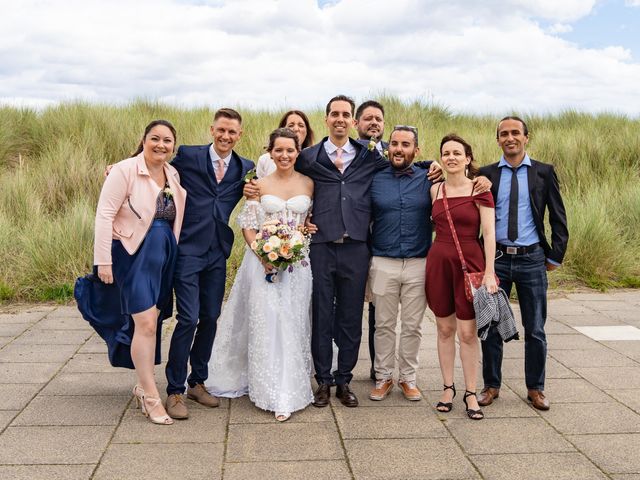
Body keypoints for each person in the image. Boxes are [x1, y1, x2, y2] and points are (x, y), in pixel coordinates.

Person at [75, 119, 187, 425]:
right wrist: (103, 262)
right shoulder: (124, 170)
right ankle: (151, 395)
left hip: (164, 254)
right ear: (144, 139)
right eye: (155, 138)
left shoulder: (172, 173)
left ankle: (143, 384)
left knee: (153, 322)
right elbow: (104, 215)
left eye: (167, 140)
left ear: (173, 146)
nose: (161, 145)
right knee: (146, 322)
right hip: (132, 254)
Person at [206, 128, 314, 422]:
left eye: (290, 150)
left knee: (293, 321)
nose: (284, 155)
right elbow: (248, 226)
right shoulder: (258, 185)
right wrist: (264, 256)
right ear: (270, 152)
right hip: (262, 264)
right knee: (267, 322)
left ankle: (290, 385)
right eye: (278, 150)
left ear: (297, 152)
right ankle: (269, 389)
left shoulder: (308, 183)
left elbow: (309, 222)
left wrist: (301, 237)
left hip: (297, 265)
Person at [164, 108, 255, 420]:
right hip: (187, 249)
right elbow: (157, 165)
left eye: (232, 132)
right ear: (212, 129)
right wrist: (119, 168)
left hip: (218, 252)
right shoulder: (189, 156)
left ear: (239, 135)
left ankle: (197, 382)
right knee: (187, 318)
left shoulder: (246, 167)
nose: (225, 136)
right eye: (221, 130)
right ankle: (174, 389)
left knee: (211, 317)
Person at [478, 116, 568, 411]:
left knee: (536, 329)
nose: (510, 138)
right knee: (491, 326)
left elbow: (558, 217)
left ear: (526, 137)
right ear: (498, 140)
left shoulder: (543, 172)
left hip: (532, 259)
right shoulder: (487, 174)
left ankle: (536, 388)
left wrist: (554, 256)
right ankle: (491, 386)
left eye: (515, 133)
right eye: (504, 134)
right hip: (497, 260)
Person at [425, 134, 498, 420]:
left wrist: (490, 272)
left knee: (468, 333)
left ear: (468, 158)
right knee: (444, 330)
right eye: (446, 153)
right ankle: (447, 388)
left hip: (471, 263)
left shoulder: (480, 190)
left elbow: (489, 233)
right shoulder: (435, 190)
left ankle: (470, 391)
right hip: (439, 263)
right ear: (441, 158)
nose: (451, 157)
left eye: (457, 153)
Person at [368, 126, 431, 402]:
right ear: (387, 147)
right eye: (394, 143)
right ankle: (383, 376)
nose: (398, 149)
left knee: (413, 325)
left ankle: (408, 377)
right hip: (382, 262)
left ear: (415, 150)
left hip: (418, 263)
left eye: (405, 144)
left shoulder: (429, 177)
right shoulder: (375, 179)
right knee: (382, 323)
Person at [355, 100, 387, 382]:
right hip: (351, 239)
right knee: (344, 306)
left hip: (382, 243)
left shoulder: (394, 151)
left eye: (378, 119)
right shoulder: (347, 152)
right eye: (368, 119)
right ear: (357, 124)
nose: (373, 123)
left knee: (379, 311)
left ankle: (379, 367)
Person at [255, 110, 315, 178]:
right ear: (282, 129)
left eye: (301, 125)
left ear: (307, 131)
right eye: (291, 125)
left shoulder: (314, 159)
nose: (296, 129)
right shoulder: (265, 160)